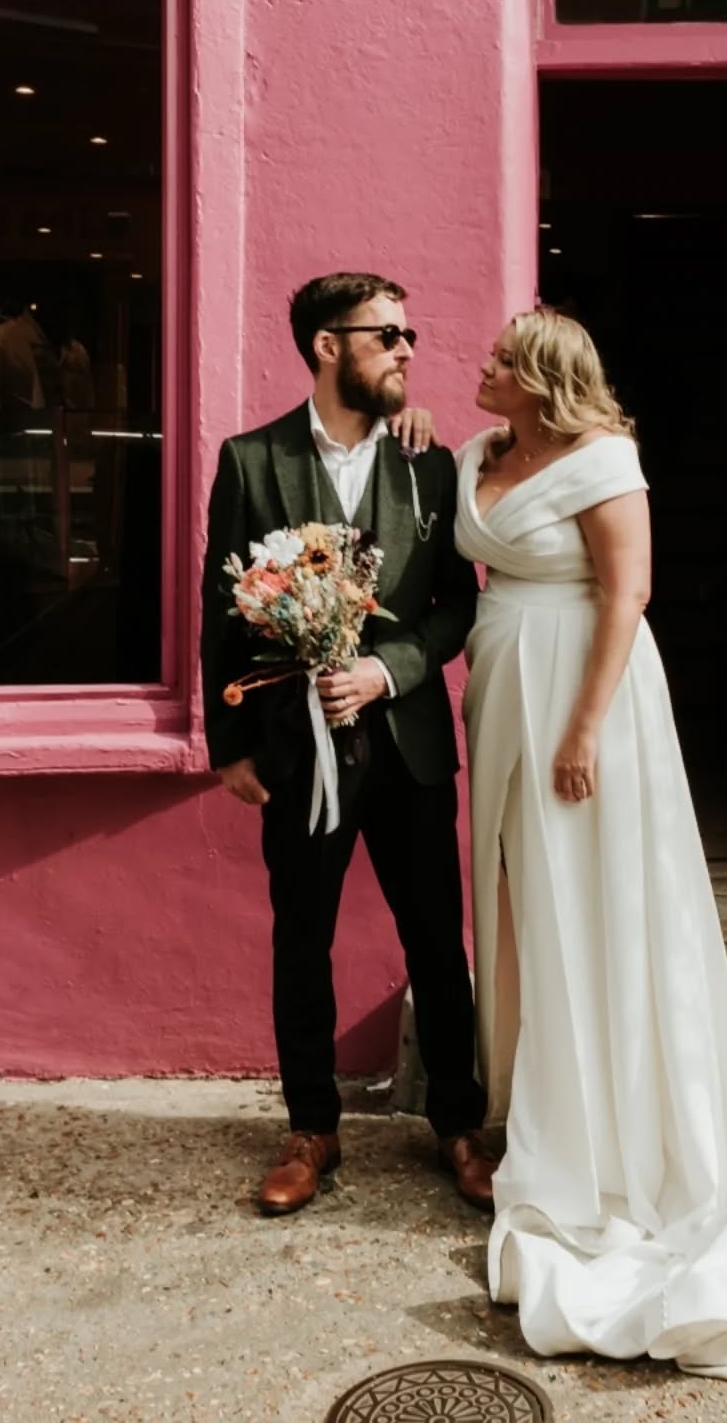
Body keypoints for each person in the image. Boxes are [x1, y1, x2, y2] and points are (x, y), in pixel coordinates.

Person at [453, 306, 727, 1382]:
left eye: (501, 359)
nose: (482, 366)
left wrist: (584, 729)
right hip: (504, 687)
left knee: (593, 899)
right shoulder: (475, 454)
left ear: (541, 378)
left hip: (587, 697)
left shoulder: (606, 459)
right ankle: (541, 1098)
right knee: (524, 900)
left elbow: (628, 593)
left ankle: (616, 1135)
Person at [200, 272, 497, 1217]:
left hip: (408, 746)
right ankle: (311, 1130)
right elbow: (223, 609)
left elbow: (456, 606)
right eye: (388, 335)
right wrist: (228, 745)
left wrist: (388, 669)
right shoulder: (252, 461)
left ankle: (458, 1125)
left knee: (437, 943)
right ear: (329, 345)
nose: (407, 349)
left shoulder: (429, 464)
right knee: (302, 940)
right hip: (296, 750)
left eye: (410, 334)